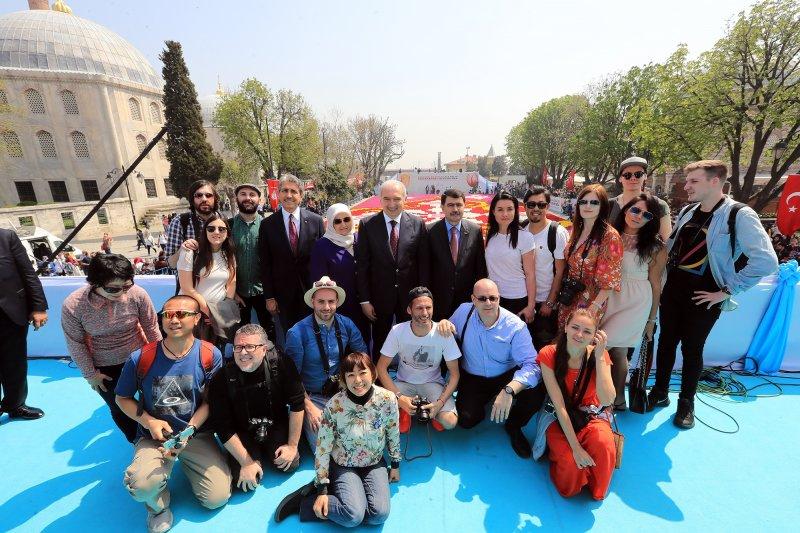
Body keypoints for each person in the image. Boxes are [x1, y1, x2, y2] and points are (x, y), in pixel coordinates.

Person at [648, 160, 778, 428]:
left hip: (705, 293)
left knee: (693, 349)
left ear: (715, 181)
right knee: (666, 342)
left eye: (693, 181)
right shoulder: (687, 210)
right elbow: (670, 248)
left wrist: (727, 291)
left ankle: (686, 404)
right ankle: (659, 392)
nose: (687, 186)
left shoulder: (739, 214)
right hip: (673, 288)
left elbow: (766, 261)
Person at [115, 295, 231, 532]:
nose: (173, 319)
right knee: (142, 487)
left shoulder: (210, 355)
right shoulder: (141, 358)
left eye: (182, 314)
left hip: (195, 434)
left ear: (197, 319)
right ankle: (158, 507)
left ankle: (198, 463)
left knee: (216, 498)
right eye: (168, 314)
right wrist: (149, 421)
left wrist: (189, 431)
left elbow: (210, 402)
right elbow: (121, 398)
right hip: (154, 437)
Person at [274, 352, 400, 527]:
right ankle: (305, 502)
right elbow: (323, 448)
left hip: (373, 462)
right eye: (350, 375)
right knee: (352, 517)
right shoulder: (334, 405)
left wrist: (395, 465)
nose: (357, 380)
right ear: (343, 380)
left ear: (373, 373)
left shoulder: (388, 399)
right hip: (342, 464)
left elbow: (392, 431)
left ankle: (342, 493)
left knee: (378, 515)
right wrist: (323, 490)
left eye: (363, 373)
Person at [61, 254, 161, 443]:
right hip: (105, 366)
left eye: (126, 286)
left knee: (153, 399)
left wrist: (160, 358)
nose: (122, 293)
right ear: (94, 283)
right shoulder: (74, 305)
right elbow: (75, 342)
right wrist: (90, 374)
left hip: (140, 357)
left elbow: (151, 327)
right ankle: (137, 440)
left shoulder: (137, 293)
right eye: (113, 289)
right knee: (118, 407)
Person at [447, 279, 545, 458]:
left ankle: (514, 425)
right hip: (473, 377)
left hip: (505, 376)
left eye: (493, 298)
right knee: (466, 420)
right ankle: (489, 403)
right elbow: (448, 331)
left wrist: (509, 390)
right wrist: (443, 324)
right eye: (482, 298)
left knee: (535, 395)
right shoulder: (463, 311)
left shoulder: (515, 326)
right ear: (473, 299)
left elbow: (533, 365)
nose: (488, 303)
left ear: (499, 298)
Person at [208, 324, 305, 492]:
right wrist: (246, 463)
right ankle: (253, 459)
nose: (243, 353)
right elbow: (223, 427)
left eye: (250, 347)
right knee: (244, 481)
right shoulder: (221, 378)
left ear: (264, 349)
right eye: (238, 347)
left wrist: (292, 445)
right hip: (242, 431)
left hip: (277, 424)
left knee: (289, 464)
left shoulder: (281, 363)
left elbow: (297, 404)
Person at [535, 309, 616, 500]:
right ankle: (571, 467)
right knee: (571, 464)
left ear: (595, 336)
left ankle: (596, 489)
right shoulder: (549, 354)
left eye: (587, 331)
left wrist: (599, 356)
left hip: (591, 415)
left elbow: (607, 400)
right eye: (575, 328)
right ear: (565, 327)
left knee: (604, 445)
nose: (579, 335)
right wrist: (576, 449)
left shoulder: (599, 355)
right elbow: (559, 405)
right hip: (558, 418)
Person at [285, 277, 368, 450]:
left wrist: (361, 393)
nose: (326, 307)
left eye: (331, 301)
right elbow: (292, 378)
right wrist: (309, 408)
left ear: (337, 302)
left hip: (342, 391)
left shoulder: (347, 324)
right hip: (311, 396)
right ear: (312, 302)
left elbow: (364, 359)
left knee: (364, 436)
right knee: (325, 446)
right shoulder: (297, 332)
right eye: (321, 302)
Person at [601, 193, 667, 410]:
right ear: (626, 210)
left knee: (611, 348)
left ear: (652, 220)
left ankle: (611, 399)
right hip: (608, 296)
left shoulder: (656, 246)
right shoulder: (608, 235)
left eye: (646, 214)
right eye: (635, 210)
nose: (639, 216)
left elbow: (656, 284)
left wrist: (651, 320)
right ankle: (610, 397)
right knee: (609, 349)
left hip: (635, 301)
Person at [356, 180, 429, 359]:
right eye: (386, 199)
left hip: (409, 298)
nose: (391, 204)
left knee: (411, 340)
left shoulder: (418, 223)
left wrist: (422, 297)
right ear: (379, 200)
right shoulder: (367, 225)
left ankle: (409, 376)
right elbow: (362, 264)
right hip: (379, 298)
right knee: (380, 341)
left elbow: (423, 264)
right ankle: (380, 380)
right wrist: (364, 300)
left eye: (396, 199)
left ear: (405, 199)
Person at [377, 287, 461, 430]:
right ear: (409, 310)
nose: (424, 313)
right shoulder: (398, 331)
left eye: (428, 307)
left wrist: (439, 403)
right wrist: (399, 397)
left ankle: (431, 411)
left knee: (449, 422)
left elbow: (454, 374)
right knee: (376, 412)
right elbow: (381, 368)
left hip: (432, 384)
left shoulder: (443, 333)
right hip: (404, 383)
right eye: (419, 308)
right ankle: (405, 408)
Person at [258, 174, 325, 341]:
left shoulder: (316, 221)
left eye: (294, 191)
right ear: (278, 194)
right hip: (283, 296)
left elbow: (323, 258)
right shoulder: (267, 225)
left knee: (316, 336)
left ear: (300, 196)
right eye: (284, 191)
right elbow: (265, 263)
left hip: (312, 292)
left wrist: (323, 290)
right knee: (292, 338)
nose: (289, 195)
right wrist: (270, 296)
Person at [558, 184, 623, 330]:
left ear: (603, 207)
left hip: (590, 303)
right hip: (569, 297)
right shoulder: (577, 229)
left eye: (594, 202)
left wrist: (592, 309)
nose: (588, 206)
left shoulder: (609, 236)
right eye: (583, 202)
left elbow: (609, 282)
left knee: (579, 345)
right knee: (563, 341)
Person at [0, 228, 48, 421]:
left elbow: (28, 274)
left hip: (9, 313)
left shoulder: (6, 237)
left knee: (15, 363)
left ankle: (16, 404)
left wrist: (38, 307)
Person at [310, 203, 369, 342]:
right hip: (340, 307)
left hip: (363, 305)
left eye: (346, 219)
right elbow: (319, 278)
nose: (343, 224)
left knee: (364, 344)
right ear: (331, 223)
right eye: (337, 221)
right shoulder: (322, 246)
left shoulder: (359, 240)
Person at [425, 189, 487, 321]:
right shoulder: (429, 231)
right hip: (438, 301)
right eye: (450, 205)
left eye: (459, 205)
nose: (455, 209)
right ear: (442, 207)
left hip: (466, 302)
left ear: (464, 206)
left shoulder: (475, 231)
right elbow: (425, 268)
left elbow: (480, 268)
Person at [522, 186, 570, 350]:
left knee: (544, 349)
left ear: (548, 206)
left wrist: (550, 303)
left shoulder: (556, 232)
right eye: (531, 204)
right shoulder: (521, 229)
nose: (536, 209)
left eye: (541, 205)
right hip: (524, 301)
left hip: (545, 305)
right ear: (524, 206)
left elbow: (560, 271)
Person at [485, 191, 537, 323]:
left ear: (515, 211)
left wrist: (531, 306)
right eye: (500, 209)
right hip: (493, 298)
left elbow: (530, 274)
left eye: (509, 209)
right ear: (493, 212)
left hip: (517, 299)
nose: (505, 214)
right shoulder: (489, 236)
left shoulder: (525, 237)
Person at [229, 183, 272, 333]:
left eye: (252, 195)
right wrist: (231, 292)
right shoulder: (228, 226)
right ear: (236, 199)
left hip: (264, 292)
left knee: (269, 333)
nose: (248, 198)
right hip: (238, 293)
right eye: (243, 194)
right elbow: (222, 260)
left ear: (260, 199)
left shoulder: (269, 225)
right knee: (241, 335)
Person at [609, 156, 671, 241]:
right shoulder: (609, 204)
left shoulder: (659, 205)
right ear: (620, 178)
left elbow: (667, 241)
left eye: (638, 174)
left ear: (645, 176)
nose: (633, 178)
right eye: (627, 175)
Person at [165, 180, 220, 267]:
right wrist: (182, 250)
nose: (204, 199)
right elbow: (171, 264)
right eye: (198, 195)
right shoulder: (180, 222)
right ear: (192, 199)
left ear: (215, 198)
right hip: (190, 279)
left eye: (208, 195)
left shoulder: (223, 220)